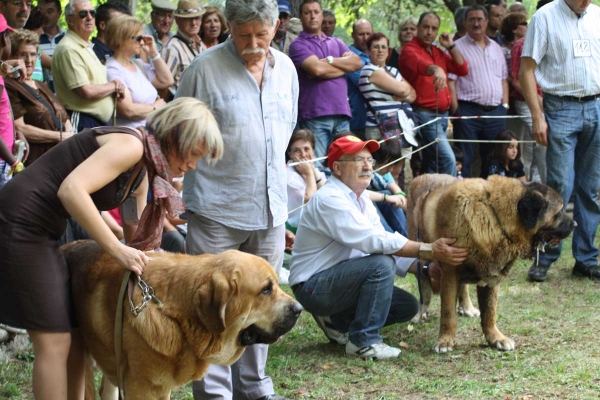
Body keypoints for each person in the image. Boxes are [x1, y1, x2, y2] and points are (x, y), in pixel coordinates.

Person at [0, 97, 223, 400]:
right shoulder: (130, 147)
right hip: (20, 224)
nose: (193, 165)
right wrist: (117, 251)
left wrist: (160, 271)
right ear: (174, 136)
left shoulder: (142, 173)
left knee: (71, 332)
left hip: (44, 231)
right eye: (194, 154)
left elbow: (136, 234)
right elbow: (71, 190)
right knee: (54, 341)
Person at [175, 0, 298, 398]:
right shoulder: (203, 68)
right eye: (243, 35)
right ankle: (214, 394)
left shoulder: (288, 70)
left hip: (270, 207)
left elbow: (287, 129)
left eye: (261, 35)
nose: (253, 43)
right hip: (216, 207)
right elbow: (179, 132)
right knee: (212, 309)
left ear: (276, 25)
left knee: (262, 303)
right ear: (228, 25)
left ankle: (254, 387)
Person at [289, 135, 468, 359]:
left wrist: (424, 268)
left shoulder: (361, 198)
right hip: (312, 287)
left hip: (335, 281)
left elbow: (382, 239)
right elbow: (375, 242)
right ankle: (363, 342)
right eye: (358, 160)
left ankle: (335, 321)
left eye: (369, 160)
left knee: (407, 306)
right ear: (337, 168)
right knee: (381, 265)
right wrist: (429, 249)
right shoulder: (329, 199)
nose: (367, 166)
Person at [520, 0, 600, 282]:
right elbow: (526, 70)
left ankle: (586, 258)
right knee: (559, 187)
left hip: (597, 107)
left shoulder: (597, 16)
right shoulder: (544, 17)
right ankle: (545, 256)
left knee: (590, 188)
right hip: (560, 108)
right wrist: (537, 116)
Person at [289, 0, 362, 171]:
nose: (313, 15)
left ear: (322, 15)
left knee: (346, 165)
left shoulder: (336, 42)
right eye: (307, 12)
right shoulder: (298, 45)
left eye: (316, 11)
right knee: (317, 167)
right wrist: (343, 68)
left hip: (342, 113)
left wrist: (330, 61)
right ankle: (315, 198)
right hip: (316, 115)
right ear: (301, 17)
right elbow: (317, 69)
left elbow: (357, 63)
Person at [400, 11, 468, 176]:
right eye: (425, 27)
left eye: (434, 28)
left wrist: (450, 46)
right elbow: (420, 64)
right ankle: (448, 200)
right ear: (418, 28)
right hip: (425, 115)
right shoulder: (409, 49)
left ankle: (426, 198)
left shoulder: (437, 51)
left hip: (442, 115)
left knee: (432, 162)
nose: (429, 32)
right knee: (448, 159)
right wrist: (436, 69)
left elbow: (462, 69)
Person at [449, 4, 509, 178]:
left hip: (496, 113)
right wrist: (456, 110)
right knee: (464, 159)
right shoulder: (456, 48)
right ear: (465, 23)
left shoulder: (496, 48)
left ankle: (488, 199)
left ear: (486, 22)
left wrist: (504, 106)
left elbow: (504, 79)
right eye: (472, 20)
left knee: (494, 160)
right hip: (467, 111)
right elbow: (451, 81)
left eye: (480, 19)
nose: (476, 24)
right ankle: (465, 199)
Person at [52, 0, 127, 131]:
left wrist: (114, 86)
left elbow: (96, 84)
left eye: (92, 13)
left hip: (94, 121)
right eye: (83, 14)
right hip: (82, 120)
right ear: (70, 20)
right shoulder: (69, 48)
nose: (89, 17)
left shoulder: (84, 46)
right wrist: (114, 86)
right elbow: (86, 91)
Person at [6, 29, 74, 166]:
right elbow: (19, 127)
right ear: (13, 56)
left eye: (33, 54)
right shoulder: (9, 85)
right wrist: (59, 136)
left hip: (59, 155)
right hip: (35, 159)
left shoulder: (39, 84)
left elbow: (63, 116)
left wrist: (70, 134)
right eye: (23, 55)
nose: (29, 60)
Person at [105, 15, 172, 128]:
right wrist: (155, 107)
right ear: (121, 39)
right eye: (138, 38)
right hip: (132, 137)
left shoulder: (138, 64)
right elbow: (128, 110)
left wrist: (154, 54)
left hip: (151, 131)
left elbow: (167, 81)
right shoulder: (112, 69)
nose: (142, 43)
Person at [359, 32, 416, 142]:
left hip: (403, 124)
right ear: (368, 51)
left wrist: (404, 95)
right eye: (376, 47)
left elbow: (413, 94)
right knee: (388, 159)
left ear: (388, 51)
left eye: (383, 47)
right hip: (380, 127)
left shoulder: (394, 70)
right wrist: (403, 91)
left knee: (404, 158)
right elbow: (403, 89)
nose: (380, 50)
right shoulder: (369, 70)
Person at [510, 11, 546, 183]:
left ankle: (536, 182)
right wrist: (536, 99)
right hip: (525, 101)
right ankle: (534, 183)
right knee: (540, 141)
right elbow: (516, 79)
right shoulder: (521, 44)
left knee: (535, 145)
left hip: (545, 101)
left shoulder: (546, 43)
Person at [162, 0, 206, 100]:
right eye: (188, 19)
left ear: (201, 20)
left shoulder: (201, 45)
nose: (194, 23)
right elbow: (163, 86)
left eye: (197, 18)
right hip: (181, 108)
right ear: (178, 20)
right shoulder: (172, 48)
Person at [286, 128, 326, 234]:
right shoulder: (288, 176)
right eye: (297, 150)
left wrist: (314, 173)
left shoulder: (316, 170)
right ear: (290, 154)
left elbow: (328, 195)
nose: (303, 155)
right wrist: (309, 173)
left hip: (314, 227)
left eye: (307, 149)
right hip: (293, 230)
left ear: (313, 151)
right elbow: (310, 200)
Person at [347, 18, 372, 138]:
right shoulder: (348, 56)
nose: (365, 38)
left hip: (377, 121)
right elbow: (368, 83)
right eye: (361, 34)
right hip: (358, 122)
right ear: (353, 35)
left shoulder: (375, 54)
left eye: (368, 34)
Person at [39, 0, 65, 92]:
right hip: (43, 98)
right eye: (41, 12)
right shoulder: (32, 40)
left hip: (67, 98)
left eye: (50, 11)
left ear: (59, 13)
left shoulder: (69, 38)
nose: (45, 15)